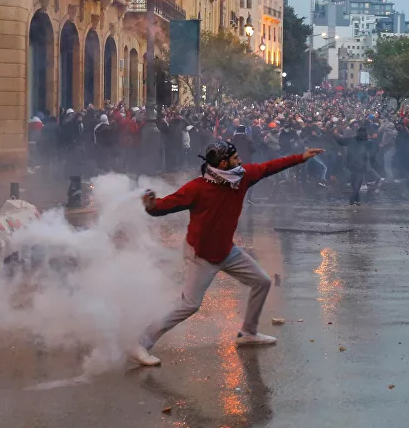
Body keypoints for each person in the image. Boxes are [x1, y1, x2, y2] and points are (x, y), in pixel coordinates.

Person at [132, 141, 324, 366]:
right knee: (189, 305)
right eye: (235, 158)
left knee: (261, 282)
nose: (240, 160)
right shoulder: (198, 188)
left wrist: (300, 157)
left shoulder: (242, 177)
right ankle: (141, 343)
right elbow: (164, 207)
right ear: (223, 163)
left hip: (226, 250)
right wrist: (151, 205)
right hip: (201, 255)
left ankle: (248, 333)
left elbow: (270, 167)